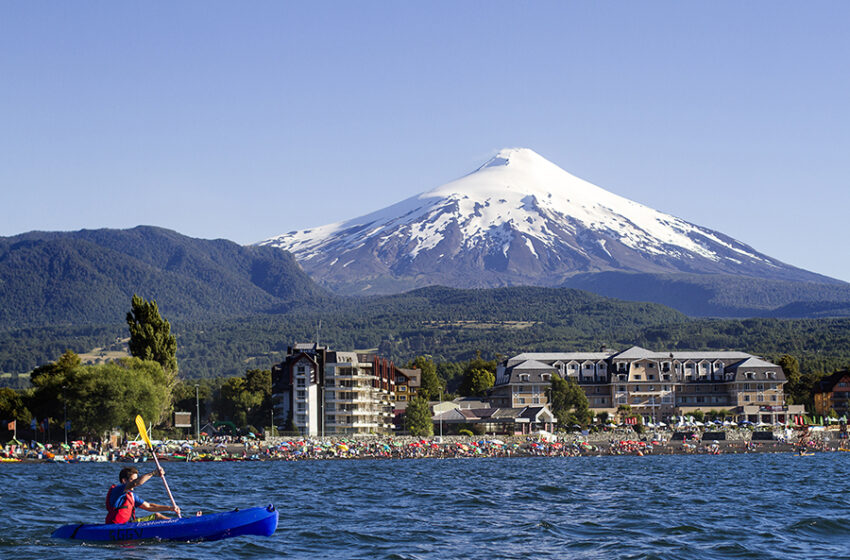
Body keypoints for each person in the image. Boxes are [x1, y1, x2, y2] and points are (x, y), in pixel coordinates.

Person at [105, 466, 181, 524]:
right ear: (124, 480)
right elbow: (137, 483)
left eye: (136, 478)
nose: (135, 481)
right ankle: (179, 526)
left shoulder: (131, 496)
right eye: (132, 479)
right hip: (115, 526)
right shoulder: (117, 490)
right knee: (157, 517)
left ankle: (178, 525)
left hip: (127, 524)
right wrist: (154, 473)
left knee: (157, 516)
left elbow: (149, 506)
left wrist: (170, 508)